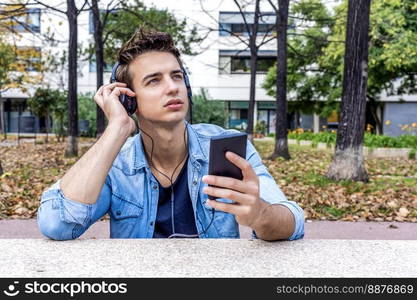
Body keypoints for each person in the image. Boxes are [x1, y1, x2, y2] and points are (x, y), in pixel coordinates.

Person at [37, 29, 304, 241]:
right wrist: (117, 128)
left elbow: (293, 222)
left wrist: (260, 214)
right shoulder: (115, 164)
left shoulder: (227, 148)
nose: (172, 87)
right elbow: (57, 224)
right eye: (154, 80)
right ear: (129, 99)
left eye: (177, 77)